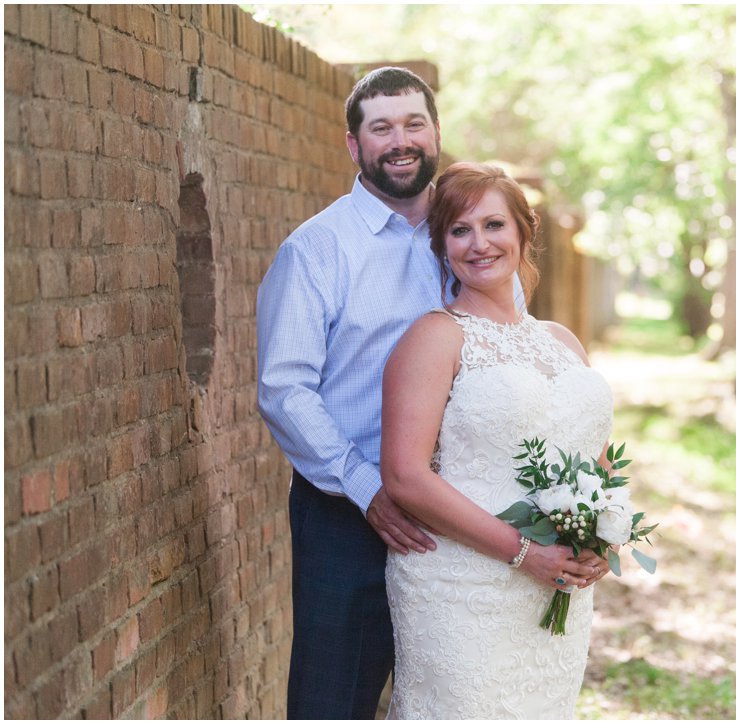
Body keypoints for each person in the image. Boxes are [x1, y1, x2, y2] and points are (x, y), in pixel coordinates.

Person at [380, 162, 613, 719]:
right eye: (460, 231)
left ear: (523, 232)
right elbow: (405, 476)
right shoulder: (435, 337)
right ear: (442, 247)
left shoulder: (562, 341)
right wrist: (524, 552)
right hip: (464, 591)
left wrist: (602, 537)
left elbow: (596, 456)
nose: (478, 244)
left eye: (493, 225)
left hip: (558, 588)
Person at [257, 66, 449, 719]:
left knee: (449, 695)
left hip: (460, 510)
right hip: (348, 511)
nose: (401, 140)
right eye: (382, 127)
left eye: (414, 123)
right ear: (353, 144)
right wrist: (368, 489)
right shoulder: (316, 250)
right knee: (332, 702)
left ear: (436, 132)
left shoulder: (469, 238)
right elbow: (284, 389)